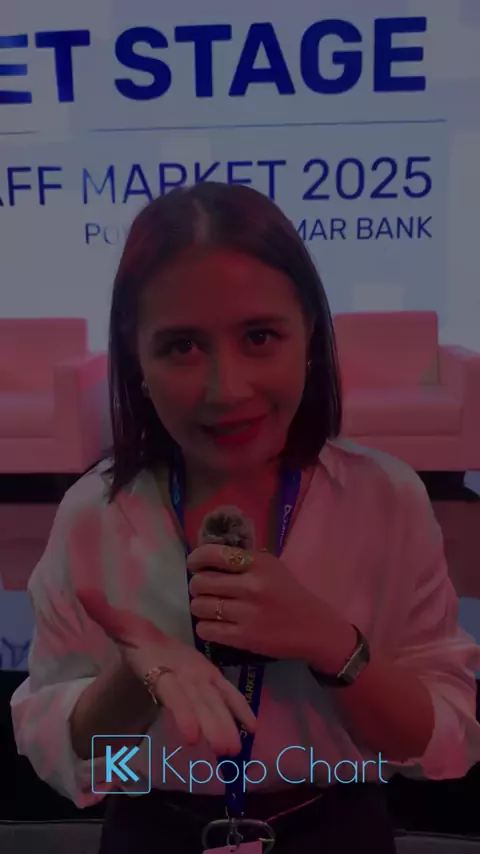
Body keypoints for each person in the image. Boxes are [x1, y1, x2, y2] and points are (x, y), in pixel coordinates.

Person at [10, 182, 480, 853]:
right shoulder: (95, 515)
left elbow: (436, 748)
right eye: (181, 346)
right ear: (136, 358)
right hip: (155, 830)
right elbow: (80, 768)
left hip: (335, 827)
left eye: (260, 336)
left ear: (309, 334)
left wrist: (331, 644)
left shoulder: (385, 499)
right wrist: (137, 681)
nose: (226, 389)